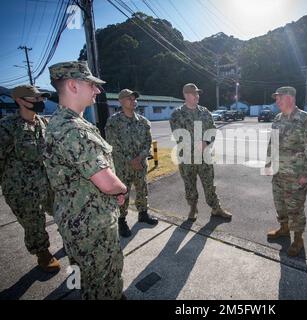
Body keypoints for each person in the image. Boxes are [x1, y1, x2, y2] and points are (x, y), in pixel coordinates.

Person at [44, 61, 127, 300]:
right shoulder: (71, 129)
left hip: (79, 219)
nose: (97, 90)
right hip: (91, 225)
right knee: (103, 280)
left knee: (85, 276)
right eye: (91, 84)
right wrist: (121, 189)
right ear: (72, 85)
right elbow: (107, 183)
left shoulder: (66, 123)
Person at [0, 85, 60, 273]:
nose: (40, 102)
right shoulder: (7, 127)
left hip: (47, 183)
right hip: (22, 189)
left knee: (61, 211)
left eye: (41, 98)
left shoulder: (44, 123)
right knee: (34, 222)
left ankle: (69, 237)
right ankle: (42, 252)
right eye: (35, 99)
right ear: (20, 100)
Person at [265, 86, 307, 257]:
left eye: (279, 97)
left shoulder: (305, 119)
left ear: (290, 98)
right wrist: (268, 164)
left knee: (295, 209)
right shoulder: (277, 118)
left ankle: (298, 239)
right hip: (278, 174)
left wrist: (306, 173)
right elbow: (271, 144)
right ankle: (284, 228)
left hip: (296, 176)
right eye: (276, 98)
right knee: (280, 204)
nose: (277, 101)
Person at [169, 83, 231, 221]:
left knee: (210, 184)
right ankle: (193, 208)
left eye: (197, 93)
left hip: (205, 156)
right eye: (194, 93)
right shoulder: (176, 114)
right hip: (186, 158)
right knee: (189, 185)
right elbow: (178, 135)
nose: (197, 96)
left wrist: (206, 142)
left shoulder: (205, 112)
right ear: (186, 95)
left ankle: (216, 208)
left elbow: (213, 130)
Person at [105, 89, 158, 237]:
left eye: (135, 98)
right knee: (123, 193)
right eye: (129, 98)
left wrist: (139, 158)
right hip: (122, 166)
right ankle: (121, 220)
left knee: (142, 189)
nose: (133, 100)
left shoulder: (143, 121)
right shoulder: (113, 122)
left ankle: (143, 214)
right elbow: (112, 144)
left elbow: (148, 142)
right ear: (121, 101)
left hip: (140, 165)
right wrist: (130, 160)